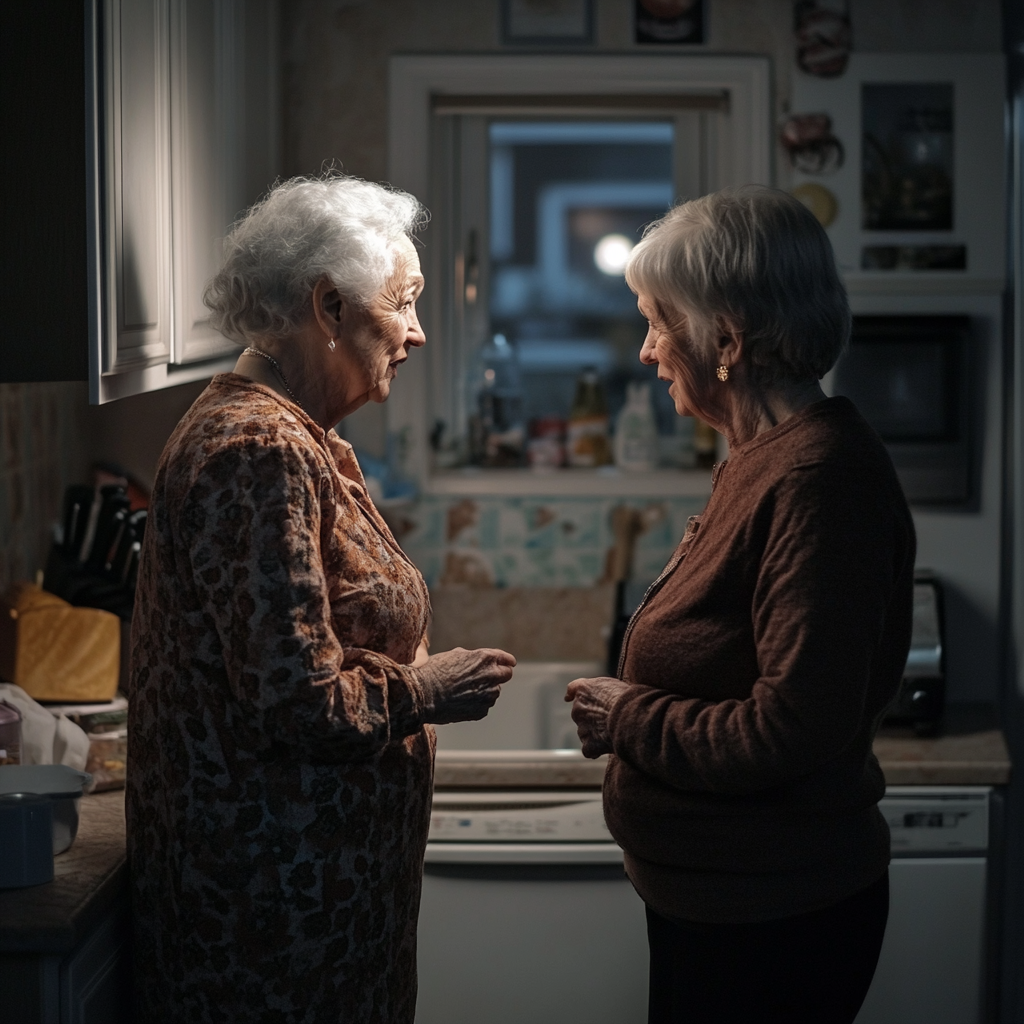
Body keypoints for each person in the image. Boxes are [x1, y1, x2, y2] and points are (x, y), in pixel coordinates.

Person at [127, 175, 516, 1024]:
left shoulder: (289, 432)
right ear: (330, 307)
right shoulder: (259, 450)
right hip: (273, 928)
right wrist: (427, 687)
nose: (416, 332)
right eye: (404, 303)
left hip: (314, 907)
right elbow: (295, 699)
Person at [566, 185, 914, 1024]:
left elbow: (786, 730)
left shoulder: (816, 480)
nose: (648, 350)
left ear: (725, 338)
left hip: (770, 920)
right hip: (723, 903)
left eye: (657, 321)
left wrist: (628, 720)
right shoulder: (764, 455)